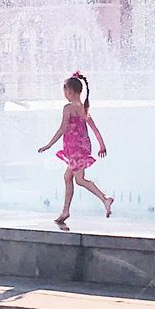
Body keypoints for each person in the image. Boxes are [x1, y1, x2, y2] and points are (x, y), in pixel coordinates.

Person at [38, 71, 113, 223]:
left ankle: (105, 199)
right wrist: (101, 145)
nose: (64, 93)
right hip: (83, 147)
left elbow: (62, 129)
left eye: (65, 90)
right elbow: (95, 129)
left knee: (79, 179)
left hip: (75, 149)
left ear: (70, 92)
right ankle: (65, 211)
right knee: (68, 177)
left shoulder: (68, 108)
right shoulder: (83, 107)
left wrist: (48, 145)